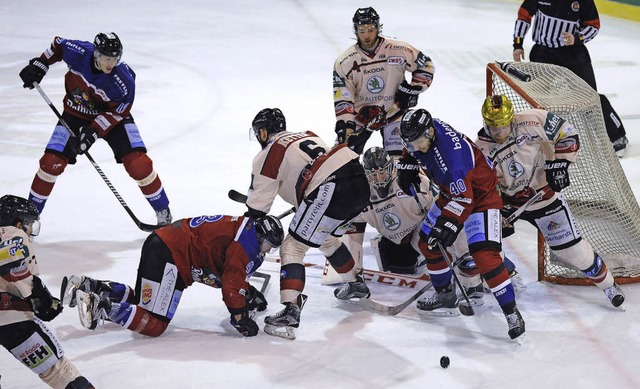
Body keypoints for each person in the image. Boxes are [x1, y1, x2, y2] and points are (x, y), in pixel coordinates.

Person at [476, 95, 625, 307]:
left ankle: (609, 285)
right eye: (493, 127)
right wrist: (497, 210)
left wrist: (561, 164)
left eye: (502, 126)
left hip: (544, 198)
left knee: (573, 252)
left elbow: (568, 134)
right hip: (510, 205)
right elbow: (484, 189)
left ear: (511, 120)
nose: (498, 133)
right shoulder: (479, 150)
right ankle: (507, 272)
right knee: (483, 242)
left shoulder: (533, 120)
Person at [334, 146, 525, 304]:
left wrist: (449, 229)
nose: (378, 179)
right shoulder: (360, 193)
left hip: (422, 226)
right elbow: (354, 233)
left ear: (391, 168)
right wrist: (354, 277)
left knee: (460, 244)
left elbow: (443, 204)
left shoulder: (409, 182)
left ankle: (505, 267)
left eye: (382, 172)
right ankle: (454, 276)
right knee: (399, 266)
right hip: (397, 239)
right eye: (373, 175)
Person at [396, 109, 525, 340]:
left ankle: (511, 312)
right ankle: (446, 295)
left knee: (485, 255)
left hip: (481, 198)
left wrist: (449, 224)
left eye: (417, 143)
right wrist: (407, 164)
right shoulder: (426, 130)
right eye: (410, 144)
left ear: (430, 132)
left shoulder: (452, 160)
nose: (415, 148)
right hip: (452, 193)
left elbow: (465, 199)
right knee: (428, 244)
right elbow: (411, 146)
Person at [19, 32, 172, 224]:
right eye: (106, 58)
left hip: (113, 118)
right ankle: (28, 220)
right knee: (50, 164)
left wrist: (94, 131)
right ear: (96, 54)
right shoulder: (79, 51)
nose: (110, 63)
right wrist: (41, 63)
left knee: (139, 165)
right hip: (75, 114)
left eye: (115, 59)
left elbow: (119, 112)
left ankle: (163, 212)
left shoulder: (123, 81)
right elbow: (57, 45)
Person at [245, 108, 370, 339]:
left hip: (330, 189)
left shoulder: (268, 153)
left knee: (292, 247)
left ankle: (291, 309)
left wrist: (250, 215)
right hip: (359, 182)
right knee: (326, 238)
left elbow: (259, 207)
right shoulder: (307, 134)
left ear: (263, 132)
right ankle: (356, 283)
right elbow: (313, 168)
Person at [61, 214, 283, 338]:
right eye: (267, 245)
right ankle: (101, 306)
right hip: (171, 258)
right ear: (260, 235)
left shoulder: (245, 230)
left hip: (164, 244)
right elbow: (230, 285)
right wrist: (240, 317)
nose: (266, 250)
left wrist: (247, 291)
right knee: (154, 325)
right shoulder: (245, 245)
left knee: (141, 301)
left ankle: (88, 287)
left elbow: (226, 274)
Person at [512, 0, 628, 157]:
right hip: (543, 53)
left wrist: (577, 38)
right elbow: (524, 15)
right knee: (538, 100)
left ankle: (617, 135)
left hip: (573, 53)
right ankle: (538, 139)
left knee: (591, 97)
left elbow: (593, 25)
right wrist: (517, 44)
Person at [0, 195, 94, 388]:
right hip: (11, 320)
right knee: (60, 373)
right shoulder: (12, 233)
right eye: (29, 224)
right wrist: (37, 294)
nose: (30, 230)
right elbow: (9, 261)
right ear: (19, 223)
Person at [333, 7, 435, 156]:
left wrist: (412, 90)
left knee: (399, 162)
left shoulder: (398, 49)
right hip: (361, 117)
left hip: (394, 113)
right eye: (362, 31)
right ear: (355, 31)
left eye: (370, 29)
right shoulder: (345, 62)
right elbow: (343, 97)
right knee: (340, 158)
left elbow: (426, 66)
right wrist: (346, 124)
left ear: (378, 27)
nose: (367, 35)